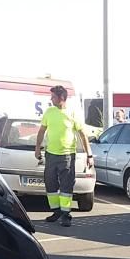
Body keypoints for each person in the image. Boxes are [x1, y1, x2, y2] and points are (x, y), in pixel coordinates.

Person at [35, 86, 93, 228]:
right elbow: (42, 131)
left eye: (53, 97)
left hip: (67, 155)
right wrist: (37, 148)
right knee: (50, 184)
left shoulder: (73, 113)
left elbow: (82, 135)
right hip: (51, 155)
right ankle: (56, 212)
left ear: (61, 98)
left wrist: (89, 155)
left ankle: (66, 215)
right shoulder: (49, 112)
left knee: (66, 186)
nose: (51, 99)